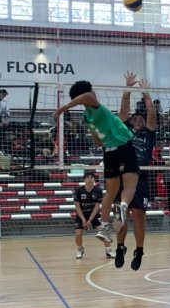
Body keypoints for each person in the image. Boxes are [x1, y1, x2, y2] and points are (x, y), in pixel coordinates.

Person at [56, 80, 140, 234]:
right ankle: (122, 207)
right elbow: (87, 96)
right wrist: (65, 107)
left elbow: (97, 139)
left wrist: (127, 90)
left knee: (110, 192)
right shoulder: (97, 107)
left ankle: (104, 227)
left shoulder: (87, 117)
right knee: (130, 187)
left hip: (108, 153)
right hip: (124, 148)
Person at [115, 73, 156, 270]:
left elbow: (151, 114)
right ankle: (119, 247)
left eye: (141, 118)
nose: (138, 119)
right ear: (131, 121)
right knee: (121, 215)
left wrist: (146, 94)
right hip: (122, 177)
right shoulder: (124, 129)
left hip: (141, 178)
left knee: (139, 216)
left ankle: (139, 251)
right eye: (135, 118)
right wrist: (128, 89)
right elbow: (123, 110)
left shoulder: (149, 133)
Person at [72, 171, 113, 260]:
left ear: (94, 180)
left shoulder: (98, 191)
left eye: (92, 178)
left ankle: (108, 251)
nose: (90, 179)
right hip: (81, 215)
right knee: (78, 234)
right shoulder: (79, 190)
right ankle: (80, 249)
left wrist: (90, 220)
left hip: (94, 215)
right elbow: (77, 207)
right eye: (88, 178)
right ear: (84, 180)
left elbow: (96, 207)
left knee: (104, 231)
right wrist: (83, 219)